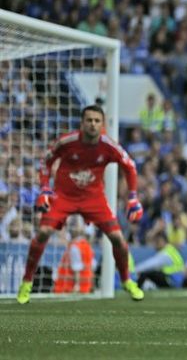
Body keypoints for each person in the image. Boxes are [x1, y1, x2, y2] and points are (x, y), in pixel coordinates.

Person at [17, 105, 144, 304]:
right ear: (82, 123)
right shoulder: (67, 142)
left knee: (118, 238)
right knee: (42, 233)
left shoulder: (108, 146)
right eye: (89, 120)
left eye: (97, 121)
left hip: (93, 198)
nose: (93, 124)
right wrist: (44, 188)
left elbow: (130, 166)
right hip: (63, 196)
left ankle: (127, 280)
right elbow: (46, 162)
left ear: (102, 124)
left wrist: (133, 197)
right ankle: (26, 282)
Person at [53, 215, 95, 294]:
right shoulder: (87, 247)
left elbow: (77, 269)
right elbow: (91, 269)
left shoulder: (75, 247)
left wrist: (77, 286)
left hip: (68, 289)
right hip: (85, 288)